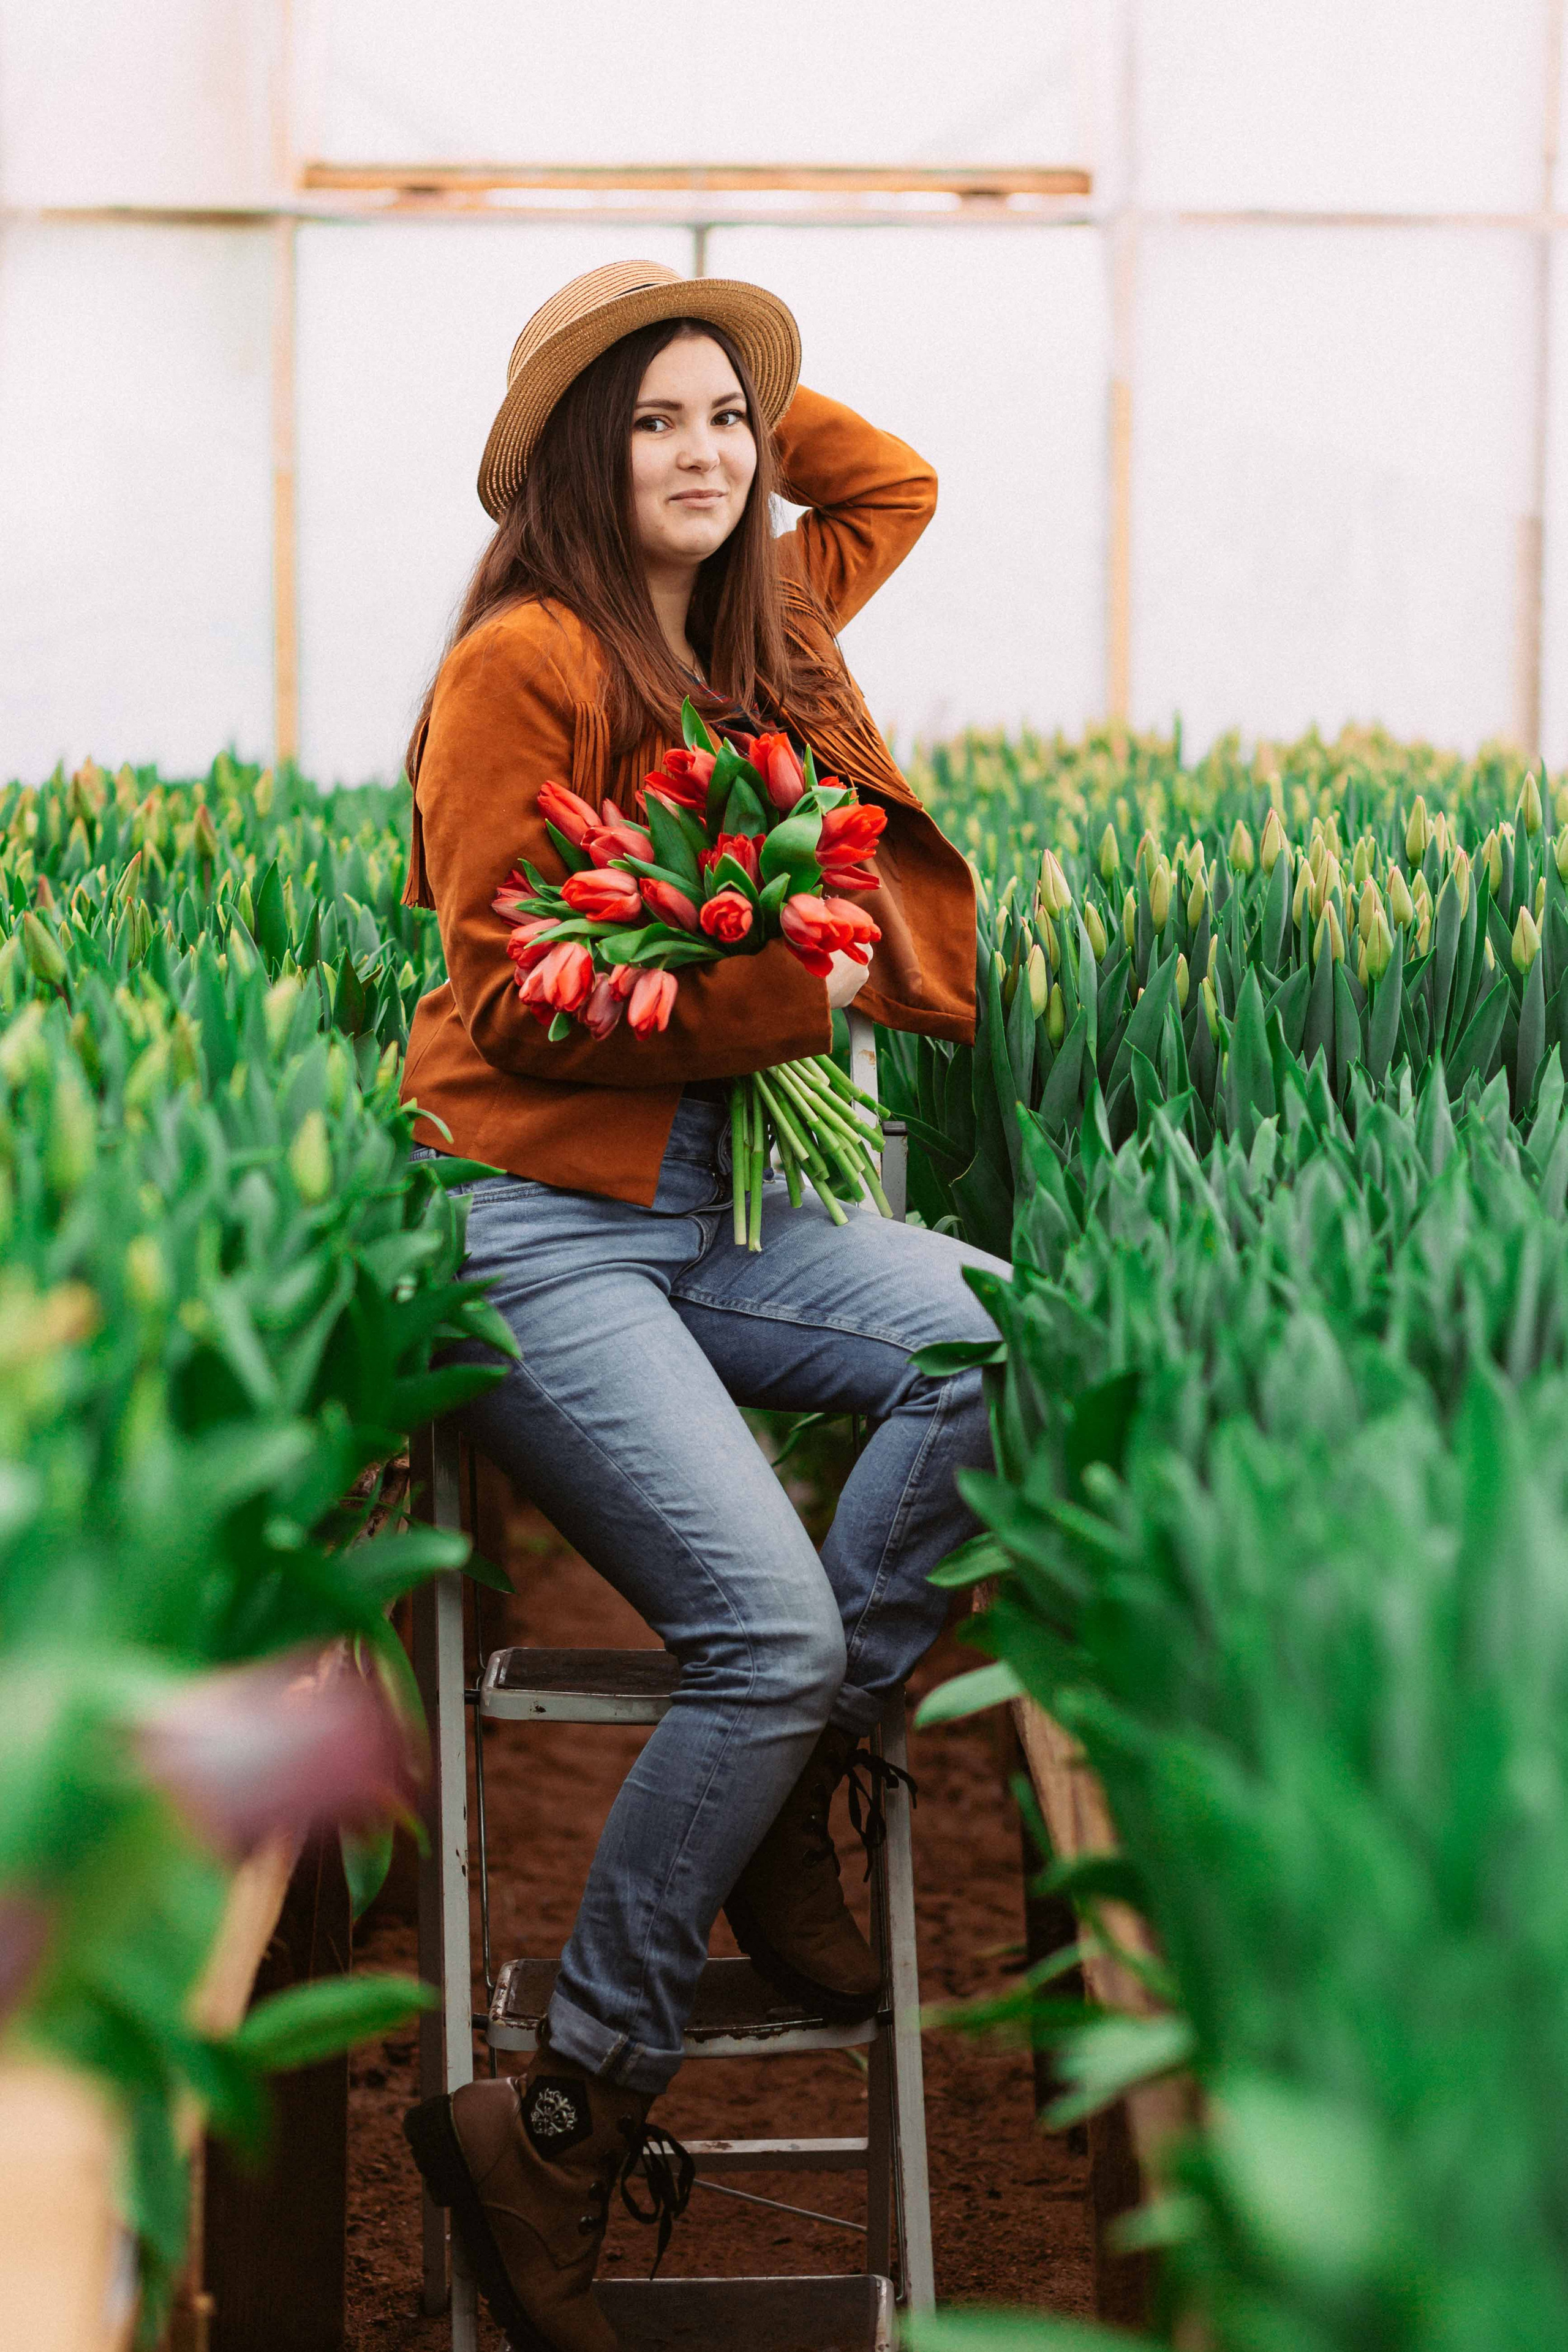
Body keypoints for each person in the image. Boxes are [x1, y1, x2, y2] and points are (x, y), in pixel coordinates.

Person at [399, 258, 1005, 2351]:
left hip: (726, 1204)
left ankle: (788, 1786)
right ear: (580, 457)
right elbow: (511, 992)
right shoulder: (528, 664)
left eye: (725, 425)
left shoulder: (775, 631)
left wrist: (741, 363)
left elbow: (893, 479)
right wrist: (781, 991)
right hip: (539, 1219)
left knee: (985, 1336)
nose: (711, 455)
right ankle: (565, 2116)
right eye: (652, 422)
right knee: (761, 1623)